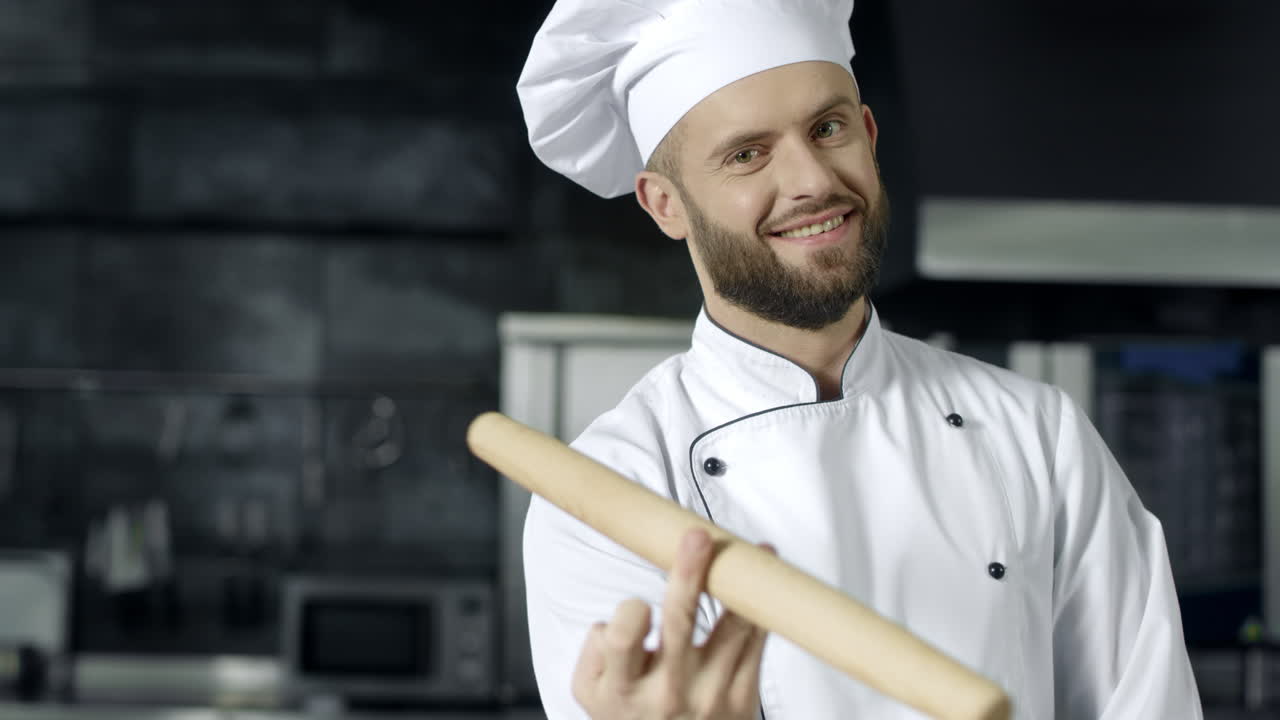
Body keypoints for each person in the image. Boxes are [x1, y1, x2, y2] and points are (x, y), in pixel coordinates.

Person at [515, 1, 1204, 718]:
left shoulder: (1037, 434)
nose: (812, 181)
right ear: (666, 205)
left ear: (868, 136)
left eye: (827, 128)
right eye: (748, 154)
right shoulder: (609, 492)